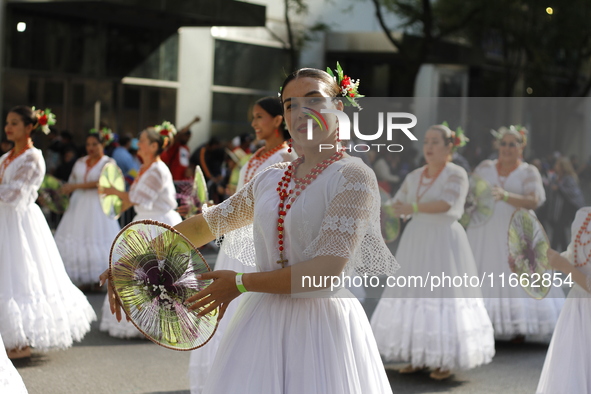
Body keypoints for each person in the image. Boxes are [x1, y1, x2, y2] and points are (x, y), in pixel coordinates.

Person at [103, 66, 398, 393]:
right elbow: (207, 224)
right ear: (284, 119)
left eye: (313, 99)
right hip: (263, 320)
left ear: (338, 109)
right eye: (290, 105)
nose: (301, 112)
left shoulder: (353, 176)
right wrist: (131, 264)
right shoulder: (271, 177)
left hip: (322, 328)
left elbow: (324, 273)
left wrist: (240, 283)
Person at [188, 96, 296, 393]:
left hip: (258, 243)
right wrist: (214, 209)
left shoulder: (287, 157)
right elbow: (242, 201)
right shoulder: (257, 156)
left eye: (259, 116)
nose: (254, 123)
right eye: (253, 117)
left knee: (247, 309)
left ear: (278, 120)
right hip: (235, 238)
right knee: (225, 311)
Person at [370, 125, 495, 380]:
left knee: (442, 294)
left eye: (435, 141)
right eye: (426, 141)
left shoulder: (456, 173)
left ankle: (444, 360)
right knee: (413, 293)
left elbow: (447, 204)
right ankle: (418, 356)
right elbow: (398, 203)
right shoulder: (415, 174)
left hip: (443, 239)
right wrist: (386, 208)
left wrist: (412, 206)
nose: (428, 146)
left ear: (449, 146)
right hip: (416, 238)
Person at [0, 106, 96, 358]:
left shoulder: (34, 157)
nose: (8, 127)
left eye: (14, 123)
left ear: (30, 127)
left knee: (22, 273)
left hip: (20, 222)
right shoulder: (6, 156)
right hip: (3, 219)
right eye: (7, 122)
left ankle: (20, 341)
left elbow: (14, 194)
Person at [467, 126, 564, 341]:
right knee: (486, 268)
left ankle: (519, 321)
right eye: (504, 143)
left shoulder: (528, 171)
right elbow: (472, 191)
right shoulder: (485, 167)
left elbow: (534, 200)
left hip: (517, 229)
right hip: (484, 230)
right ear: (497, 146)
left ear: (521, 148)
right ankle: (483, 321)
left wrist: (506, 196)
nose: (507, 148)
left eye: (513, 144)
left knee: (516, 272)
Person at [99, 123, 183, 338]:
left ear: (154, 145)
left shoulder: (157, 169)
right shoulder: (146, 168)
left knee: (155, 275)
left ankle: (157, 322)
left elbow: (138, 198)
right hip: (145, 222)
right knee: (139, 275)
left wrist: (113, 192)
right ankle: (140, 321)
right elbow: (135, 202)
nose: (139, 143)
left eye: (143, 140)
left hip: (159, 225)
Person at [53, 129, 121, 288]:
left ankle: (100, 279)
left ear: (102, 144)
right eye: (88, 144)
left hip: (98, 206)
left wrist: (76, 186)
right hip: (78, 205)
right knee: (76, 236)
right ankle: (81, 279)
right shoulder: (80, 161)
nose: (91, 147)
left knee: (97, 237)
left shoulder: (108, 162)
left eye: (94, 144)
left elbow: (101, 182)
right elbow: (72, 181)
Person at [536, 207, 591, 393]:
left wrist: (565, 266)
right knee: (573, 369)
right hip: (578, 310)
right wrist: (552, 259)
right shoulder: (584, 215)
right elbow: (575, 255)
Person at [547, 157, 585, 251]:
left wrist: (559, 188)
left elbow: (573, 193)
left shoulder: (569, 178)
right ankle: (565, 251)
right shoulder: (556, 177)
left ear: (563, 167)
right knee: (561, 233)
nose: (555, 166)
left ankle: (552, 253)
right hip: (556, 210)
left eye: (558, 165)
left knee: (557, 232)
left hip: (565, 211)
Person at [161, 116, 200, 181]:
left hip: (185, 181)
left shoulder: (186, 148)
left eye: (188, 137)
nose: (187, 139)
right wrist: (193, 122)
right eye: (186, 136)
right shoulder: (175, 145)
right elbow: (181, 132)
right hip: (175, 179)